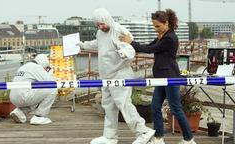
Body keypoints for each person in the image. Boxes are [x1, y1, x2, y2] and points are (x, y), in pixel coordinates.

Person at [77, 8, 155, 144]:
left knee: (124, 104)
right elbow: (98, 44)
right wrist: (83, 45)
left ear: (108, 19)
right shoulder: (100, 32)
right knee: (108, 106)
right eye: (98, 25)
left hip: (120, 74)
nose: (101, 27)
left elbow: (130, 48)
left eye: (102, 24)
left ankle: (143, 131)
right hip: (106, 76)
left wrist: (124, 53)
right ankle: (109, 136)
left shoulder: (119, 31)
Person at [119, 9, 196, 144]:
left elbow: (150, 50)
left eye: (158, 26)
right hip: (161, 78)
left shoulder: (169, 38)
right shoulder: (162, 35)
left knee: (176, 109)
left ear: (166, 23)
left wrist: (131, 42)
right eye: (154, 26)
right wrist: (130, 44)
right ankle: (159, 138)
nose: (156, 29)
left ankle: (189, 139)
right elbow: (148, 46)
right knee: (155, 107)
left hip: (170, 78)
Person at [9, 54, 57, 125]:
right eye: (45, 68)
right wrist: (50, 72)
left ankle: (20, 112)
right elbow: (51, 83)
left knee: (37, 95)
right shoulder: (37, 67)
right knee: (53, 89)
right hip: (23, 96)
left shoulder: (24, 67)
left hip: (13, 97)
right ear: (43, 64)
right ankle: (39, 116)